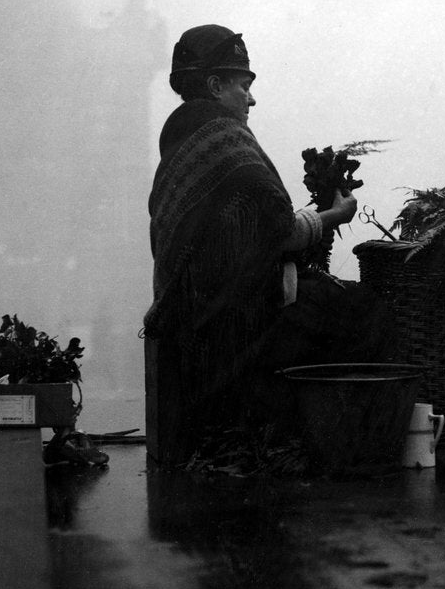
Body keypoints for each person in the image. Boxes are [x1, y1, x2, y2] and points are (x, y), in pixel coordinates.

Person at [143, 24, 395, 467]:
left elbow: (246, 231)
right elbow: (280, 231)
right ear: (216, 85)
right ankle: (344, 455)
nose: (251, 98)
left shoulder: (179, 143)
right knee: (368, 313)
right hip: (236, 321)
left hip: (192, 318)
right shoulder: (225, 140)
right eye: (244, 85)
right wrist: (332, 217)